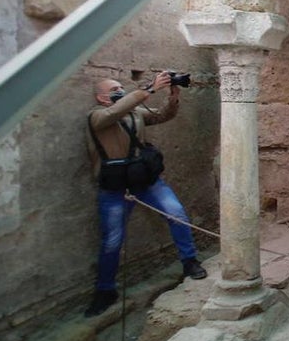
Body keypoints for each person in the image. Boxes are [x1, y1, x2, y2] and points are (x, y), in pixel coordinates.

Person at [84, 70, 206, 317]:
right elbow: (111, 116)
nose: (120, 91)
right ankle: (105, 290)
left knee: (176, 214)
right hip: (115, 187)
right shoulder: (96, 116)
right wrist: (149, 89)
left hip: (145, 180)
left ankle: (189, 260)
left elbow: (163, 115)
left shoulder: (135, 113)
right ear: (102, 98)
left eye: (121, 87)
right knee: (113, 239)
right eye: (114, 90)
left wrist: (173, 95)